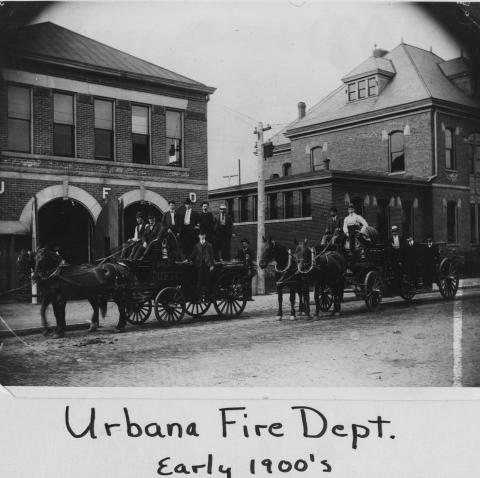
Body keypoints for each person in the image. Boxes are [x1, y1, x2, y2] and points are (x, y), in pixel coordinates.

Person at [185, 230, 215, 299]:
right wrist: (187, 260)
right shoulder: (196, 245)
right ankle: (199, 296)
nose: (202, 236)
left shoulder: (209, 245)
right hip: (199, 265)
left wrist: (212, 265)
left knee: (207, 281)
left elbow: (212, 256)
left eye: (203, 235)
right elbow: (193, 254)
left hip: (207, 265)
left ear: (205, 236)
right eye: (200, 235)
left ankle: (207, 297)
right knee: (199, 281)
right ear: (199, 236)